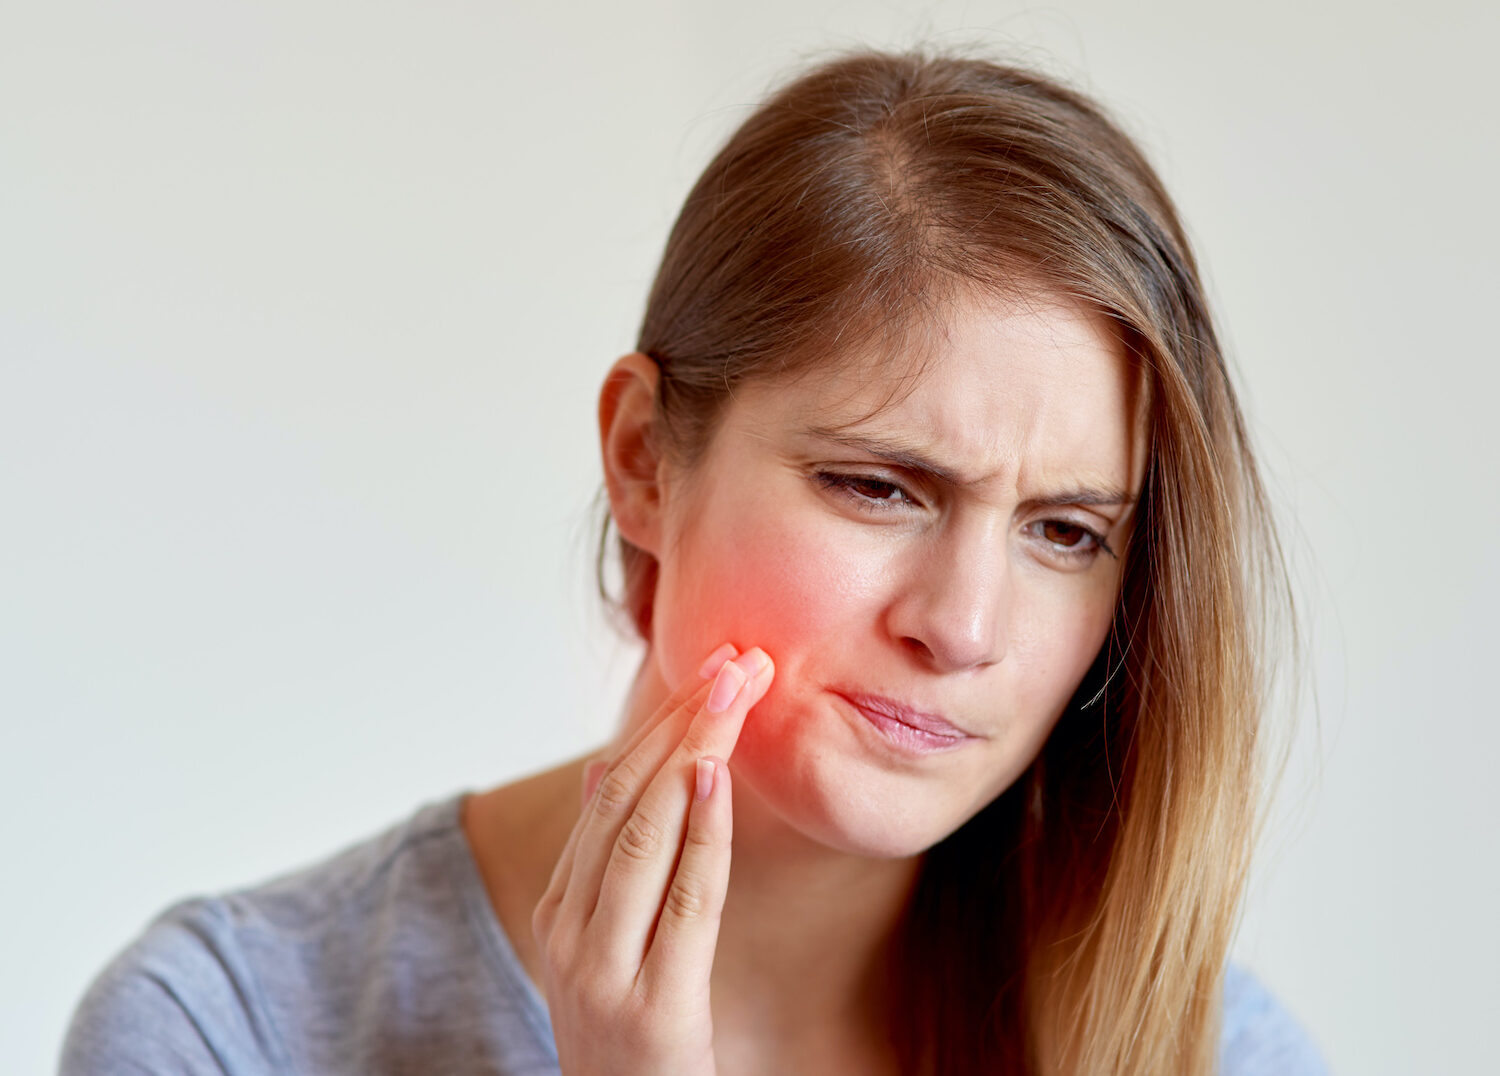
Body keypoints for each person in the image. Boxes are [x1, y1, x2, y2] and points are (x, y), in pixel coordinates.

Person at [61, 49, 1327, 1075]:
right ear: (642, 459)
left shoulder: (1204, 1050)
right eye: (878, 485)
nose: (966, 624)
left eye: (1067, 531)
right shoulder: (224, 1030)